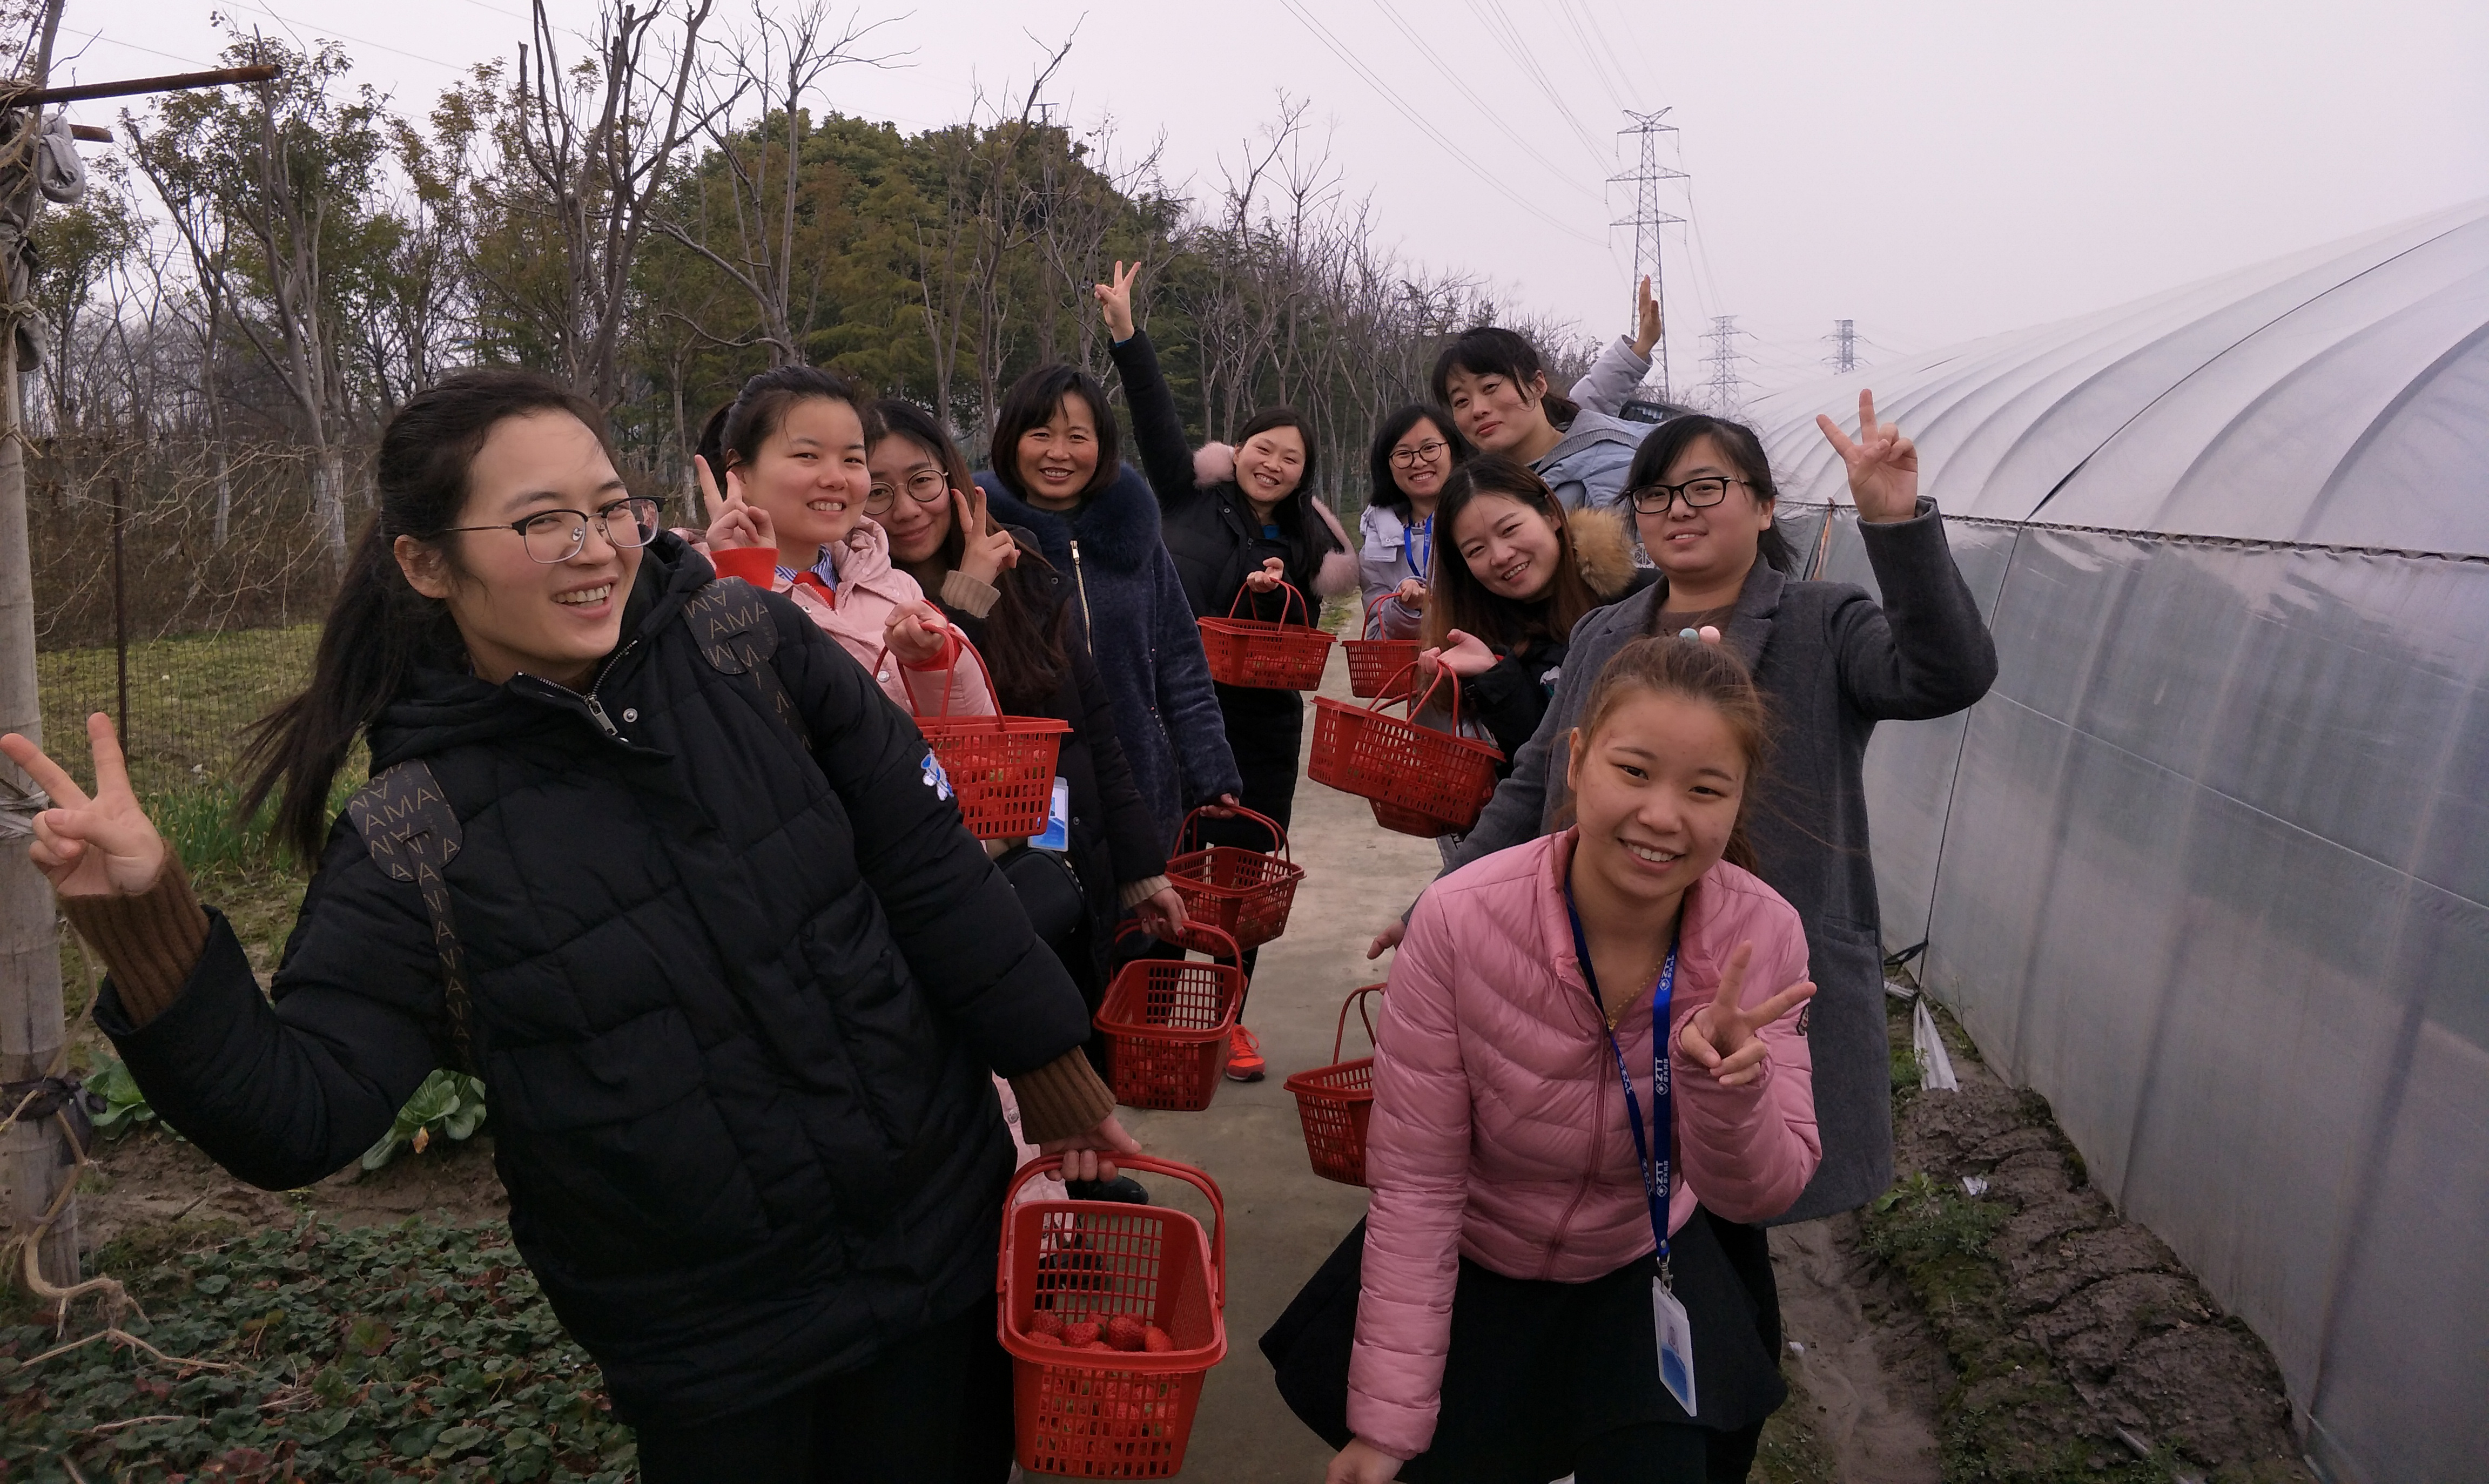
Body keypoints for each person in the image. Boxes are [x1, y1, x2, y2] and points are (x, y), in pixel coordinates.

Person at [3, 369, 1139, 1481]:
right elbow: (296, 1118)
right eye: (541, 521)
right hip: (719, 1350)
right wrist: (149, 920)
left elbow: (926, 866)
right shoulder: (418, 832)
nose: (595, 548)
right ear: (425, 563)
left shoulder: (754, 653)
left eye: (609, 509)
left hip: (942, 1242)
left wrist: (1050, 1065)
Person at [1378, 393, 2000, 1231]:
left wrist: (1896, 527)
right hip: (1604, 977)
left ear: (1765, 503)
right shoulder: (1606, 634)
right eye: (1656, 493)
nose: (1678, 509)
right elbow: (1533, 788)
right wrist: (1436, 908)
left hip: (1750, 986)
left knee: (1737, 1208)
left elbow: (1948, 675)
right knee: (1615, 1198)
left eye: (1705, 487)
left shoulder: (1826, 621)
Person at [1270, 636, 1821, 1483]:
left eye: (1705, 789)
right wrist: (1386, 1425)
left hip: (1640, 1259)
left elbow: (1760, 1193)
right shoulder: (1461, 922)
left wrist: (1728, 1090)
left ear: (1737, 801)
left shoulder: (1762, 935)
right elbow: (1419, 1182)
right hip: (1477, 1255)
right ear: (1576, 759)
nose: (1664, 816)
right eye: (1634, 772)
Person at [1093, 260, 1358, 1081]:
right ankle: (1164, 1015)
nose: (1272, 464)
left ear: (1302, 475)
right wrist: (1129, 336)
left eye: (1290, 459)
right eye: (1262, 448)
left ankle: (1232, 1021)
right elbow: (1155, 421)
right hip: (1177, 712)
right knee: (1170, 867)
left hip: (1263, 727)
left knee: (1243, 883)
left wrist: (1274, 591)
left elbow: (1304, 632)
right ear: (1237, 449)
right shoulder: (1185, 496)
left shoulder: (1311, 544)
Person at [865, 395, 1188, 1014]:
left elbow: (1093, 731)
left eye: (921, 482)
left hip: (1062, 872)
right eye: (878, 492)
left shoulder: (1022, 562)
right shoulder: (864, 608)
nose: (906, 510)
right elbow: (931, 724)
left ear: (952, 478)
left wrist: (1141, 870)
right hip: (961, 897)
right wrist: (966, 596)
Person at [970, 339, 1244, 868]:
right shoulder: (985, 540)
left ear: (1102, 445)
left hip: (1142, 781)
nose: (1059, 453)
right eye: (1040, 434)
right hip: (1028, 791)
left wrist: (1212, 770)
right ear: (1010, 440)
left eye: (1078, 436)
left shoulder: (1138, 538)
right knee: (1061, 922)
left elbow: (1183, 662)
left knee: (1143, 928)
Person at [701, 365, 993, 718]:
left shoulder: (896, 587)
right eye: (807, 456)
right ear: (740, 472)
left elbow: (973, 734)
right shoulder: (693, 587)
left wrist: (935, 663)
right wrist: (744, 584)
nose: (837, 478)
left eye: (853, 459)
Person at [1413, 454, 1651, 772]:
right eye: (1476, 550)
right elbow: (1537, 771)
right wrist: (1495, 678)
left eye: (1509, 529)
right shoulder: (1482, 638)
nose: (1500, 556)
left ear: (1551, 515)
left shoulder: (1641, 599)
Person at [1431, 323, 1643, 514]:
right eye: (1461, 401)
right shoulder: (1474, 494)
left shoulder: (1611, 472)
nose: (1477, 410)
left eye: (1490, 387)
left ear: (1538, 385)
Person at [1357, 406, 1468, 639]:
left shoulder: (1482, 520)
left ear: (1454, 450)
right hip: (1411, 672)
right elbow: (1377, 636)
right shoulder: (1376, 545)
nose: (1418, 463)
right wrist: (1406, 609)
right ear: (1387, 466)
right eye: (1403, 454)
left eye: (1430, 448)